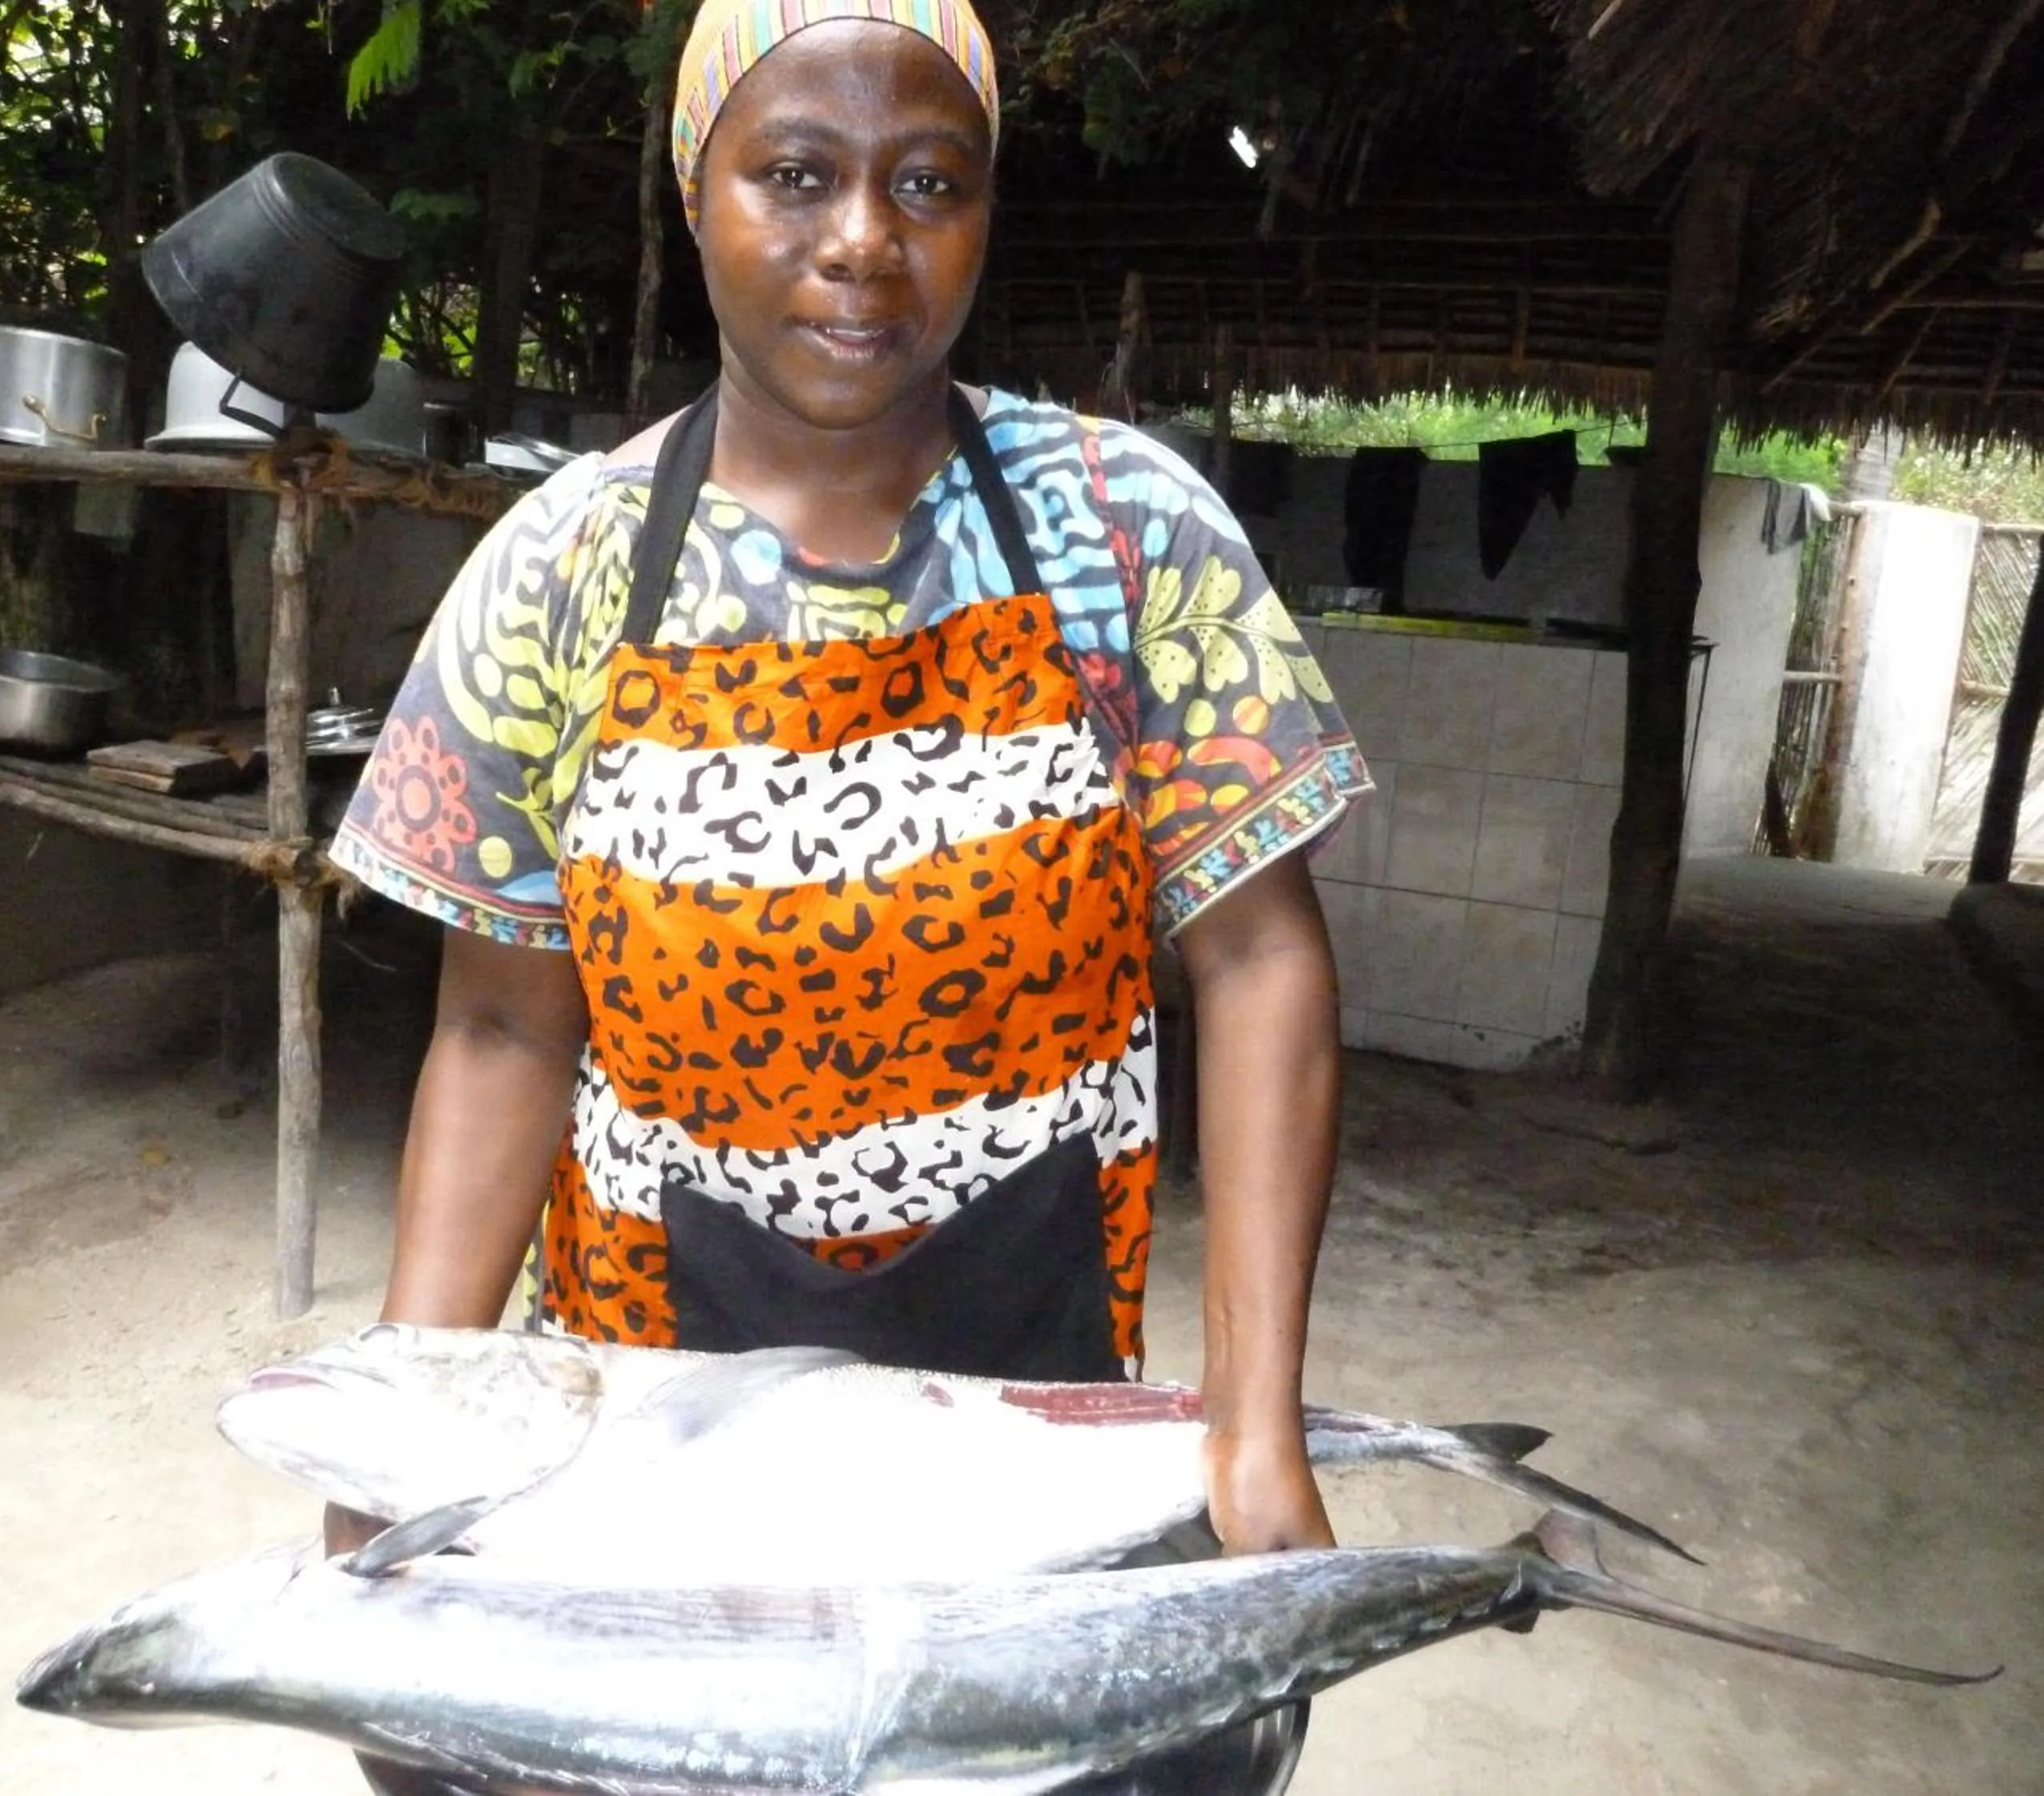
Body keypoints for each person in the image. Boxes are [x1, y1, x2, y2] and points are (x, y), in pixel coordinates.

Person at [328, 0, 1370, 1568]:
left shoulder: (1126, 533)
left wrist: (1253, 1416)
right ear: (697, 194)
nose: (868, 239)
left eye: (930, 183)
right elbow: (497, 1030)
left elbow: (1260, 956)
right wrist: (410, 1425)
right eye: (797, 175)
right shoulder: (559, 571)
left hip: (1034, 1414)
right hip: (646, 1415)